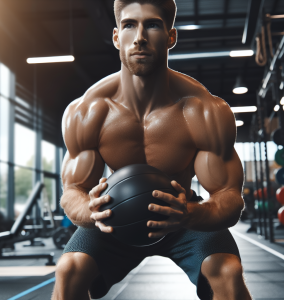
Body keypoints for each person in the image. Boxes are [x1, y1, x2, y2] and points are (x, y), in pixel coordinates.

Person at [52, 0, 252, 299]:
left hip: (182, 218)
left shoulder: (204, 110)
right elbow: (72, 190)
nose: (140, 36)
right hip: (114, 220)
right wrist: (89, 211)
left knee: (228, 272)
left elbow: (230, 197)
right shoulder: (88, 111)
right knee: (69, 270)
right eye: (130, 24)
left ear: (171, 37)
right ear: (117, 36)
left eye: (153, 24)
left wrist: (190, 214)